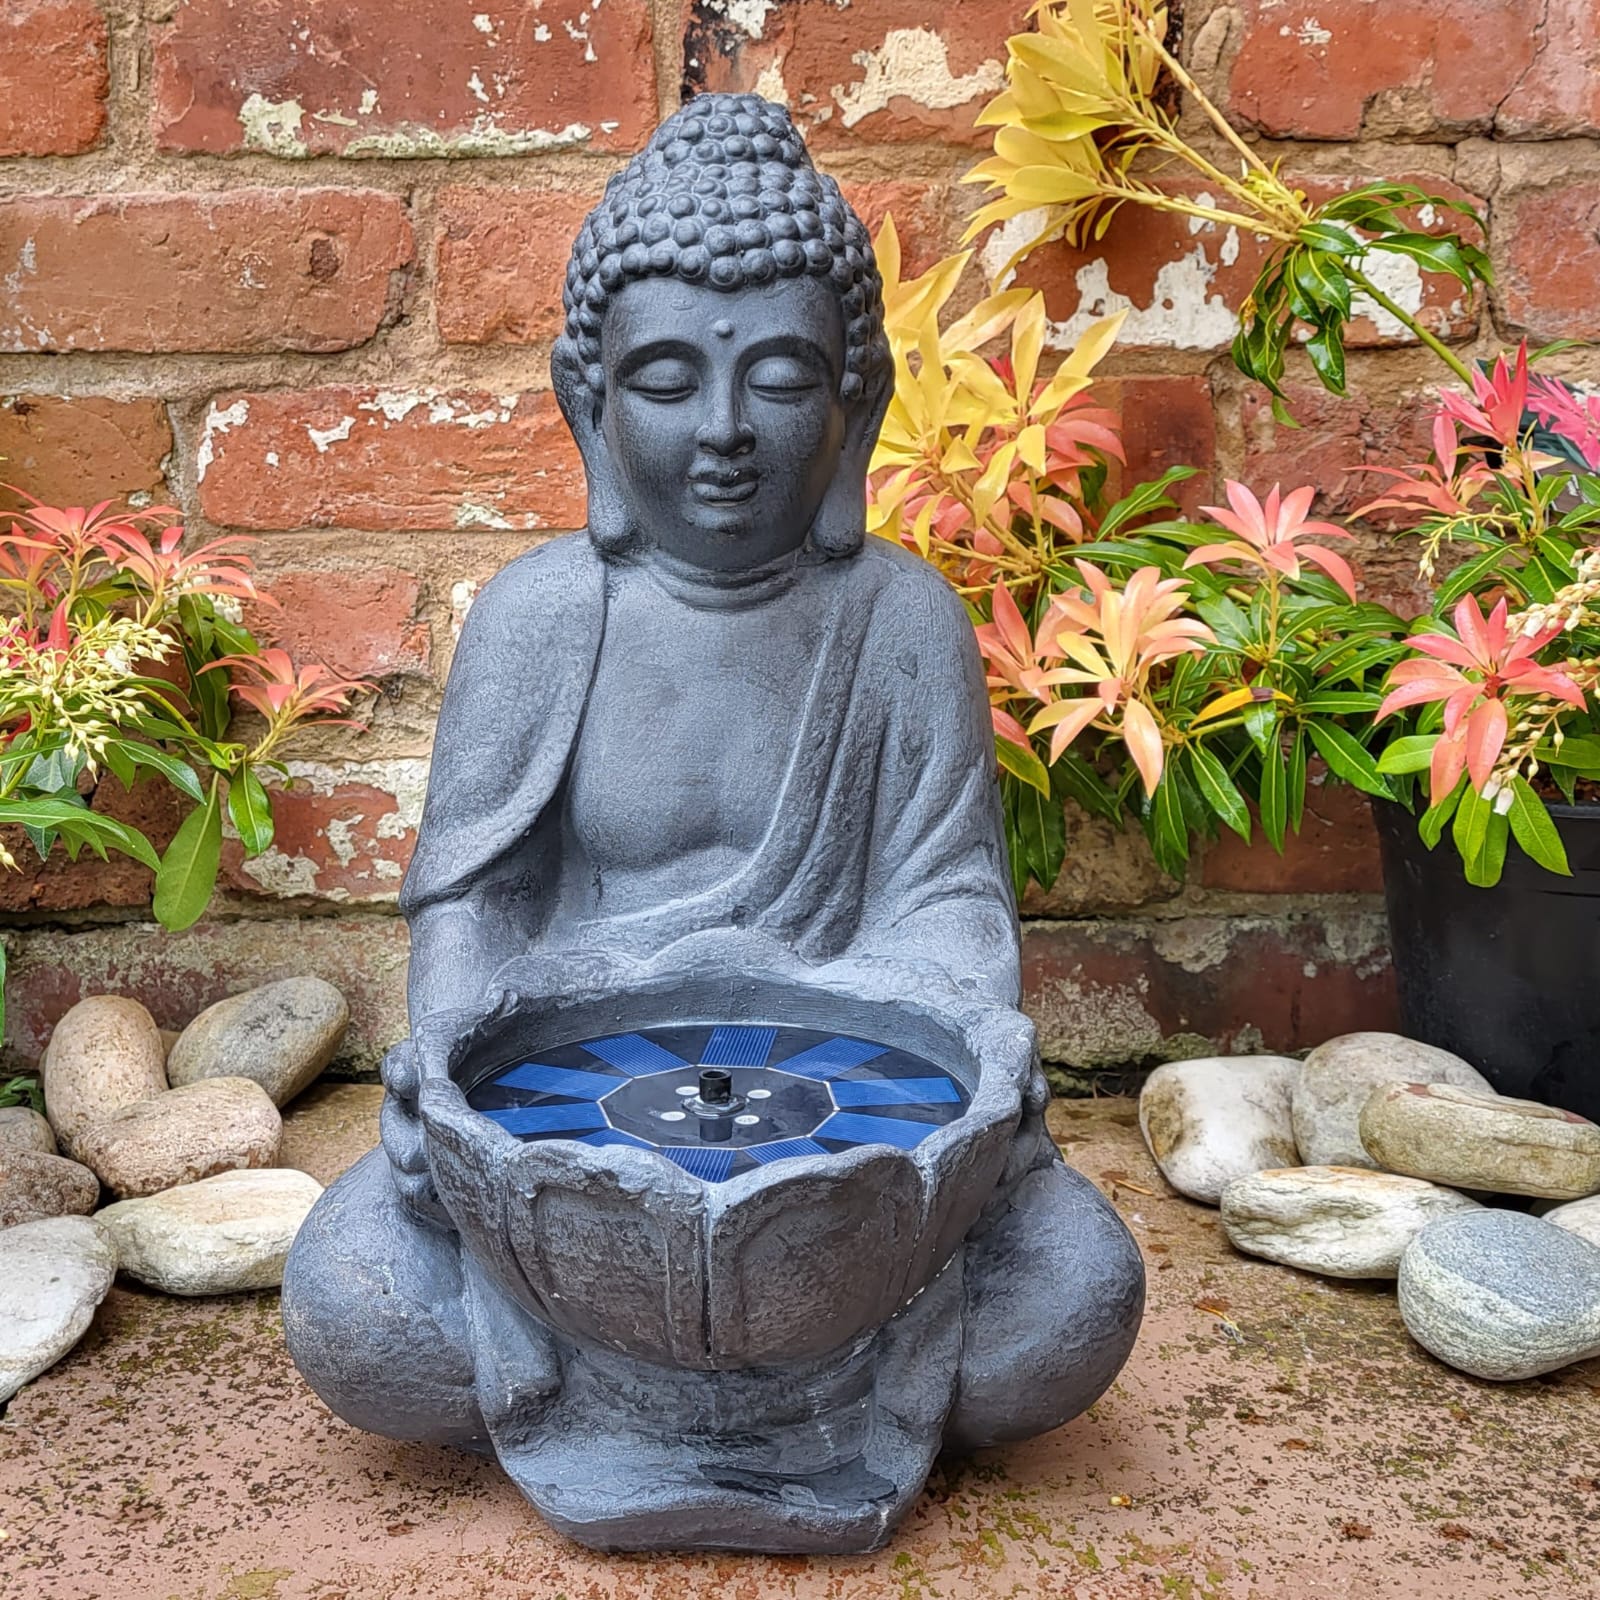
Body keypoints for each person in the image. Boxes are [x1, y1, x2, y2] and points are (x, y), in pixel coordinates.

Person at [283, 93, 1143, 1555]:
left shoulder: (898, 625)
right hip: (580, 1181)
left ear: (855, 405)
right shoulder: (545, 621)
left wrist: (964, 1077)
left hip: (837, 1183)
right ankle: (704, 1396)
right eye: (670, 378)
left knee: (1076, 1294)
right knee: (353, 1303)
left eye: (785, 379)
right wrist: (449, 1085)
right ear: (591, 403)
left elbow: (945, 907)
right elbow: (474, 912)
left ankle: (741, 1392)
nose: (729, 432)